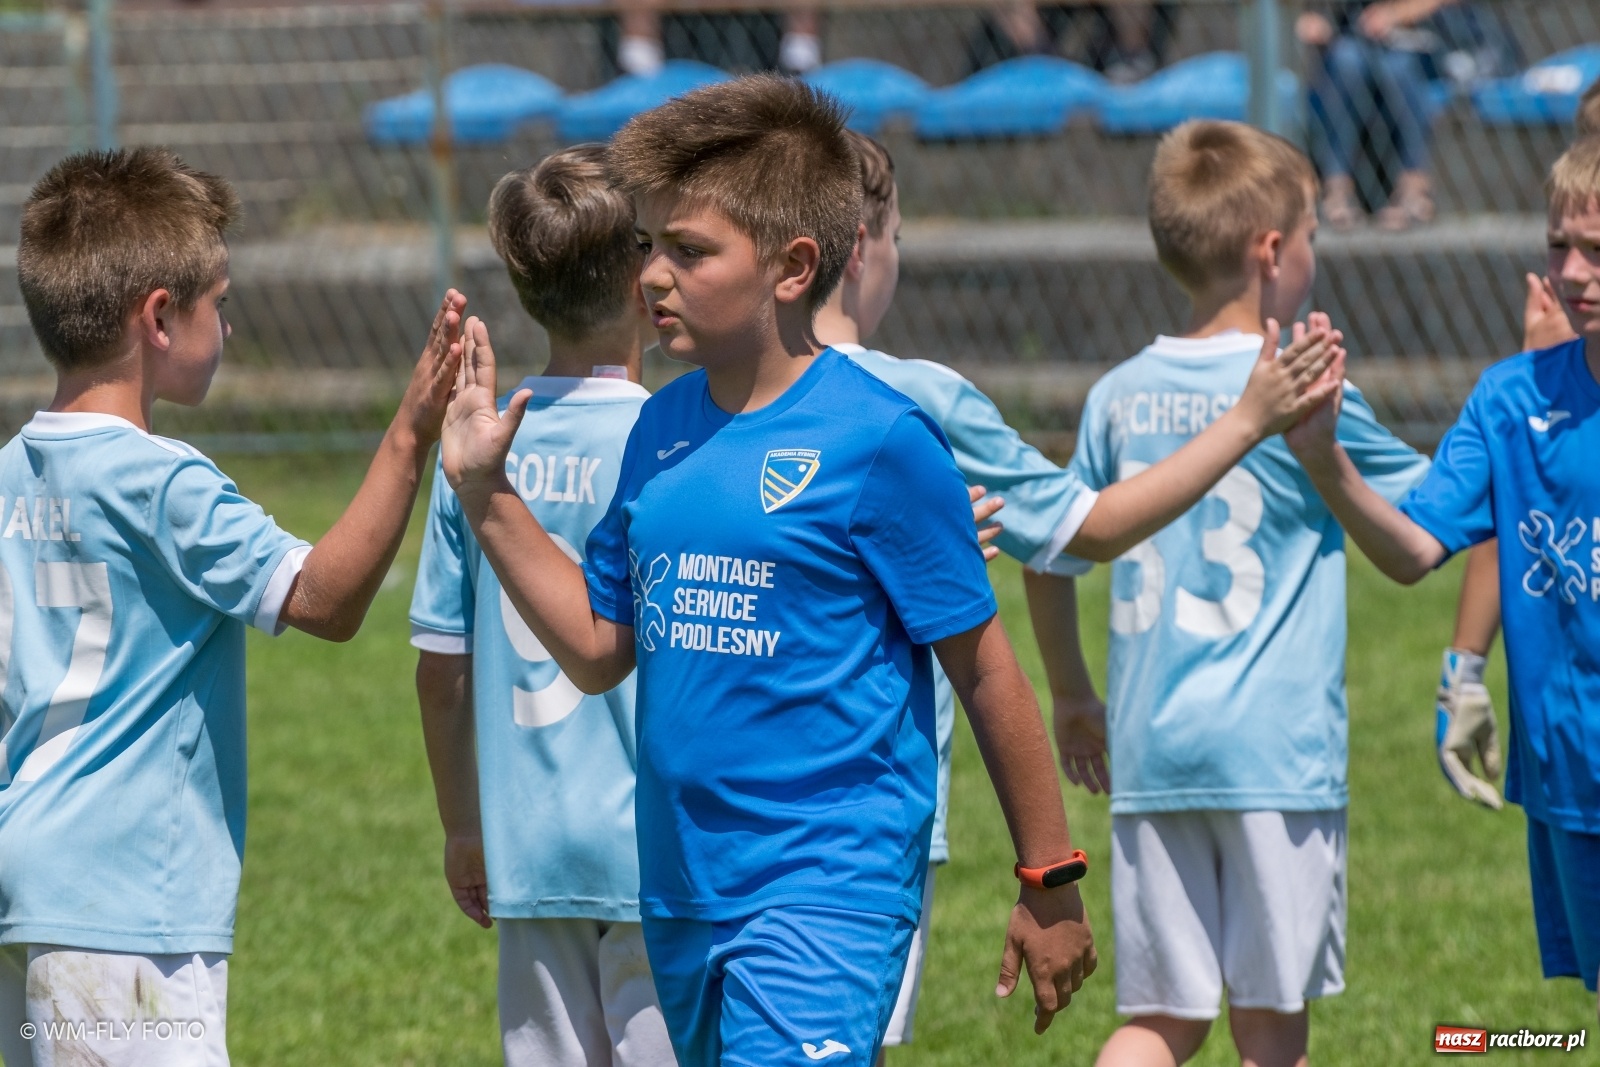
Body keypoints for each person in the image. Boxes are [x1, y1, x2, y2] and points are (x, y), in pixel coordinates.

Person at [438, 76, 1339, 1065]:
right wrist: (489, 495)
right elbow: (601, 646)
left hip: (826, 889)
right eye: (651, 245)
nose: (652, 275)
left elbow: (987, 668)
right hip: (683, 889)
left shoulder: (877, 438)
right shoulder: (660, 428)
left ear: (793, 267)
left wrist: (1050, 872)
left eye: (689, 251)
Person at [813, 128, 1347, 1060]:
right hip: (863, 807)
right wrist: (1252, 419)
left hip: (706, 817)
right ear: (863, 247)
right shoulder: (918, 400)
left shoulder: (699, 405)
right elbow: (1082, 528)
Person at [0, 147, 463, 1066]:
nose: (230, 324)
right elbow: (326, 598)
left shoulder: (12, 470)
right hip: (125, 904)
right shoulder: (160, 480)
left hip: (27, 883)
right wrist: (412, 431)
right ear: (160, 318)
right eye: (221, 300)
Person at [1058, 119, 1430, 1067]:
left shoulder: (1116, 394)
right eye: (1312, 235)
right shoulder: (1305, 383)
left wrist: (1071, 695)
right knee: (1271, 1028)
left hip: (1152, 748)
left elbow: (1052, 550)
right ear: (1273, 252)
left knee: (1162, 1020)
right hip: (1273, 754)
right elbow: (1432, 512)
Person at [1286, 134, 1600, 1004]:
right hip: (1572, 775)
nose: (1572, 273)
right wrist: (1325, 461)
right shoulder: (1512, 397)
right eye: (1558, 246)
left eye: (1596, 251)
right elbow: (1413, 550)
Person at [410, 146, 677, 1067]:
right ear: (647, 276)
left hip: (531, 850)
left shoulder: (474, 454)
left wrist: (462, 826)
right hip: (656, 852)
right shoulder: (673, 444)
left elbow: (442, 672)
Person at [1297, 0, 1462, 231]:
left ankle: (1414, 188)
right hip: (1355, 42)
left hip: (1421, 41)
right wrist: (1315, 21)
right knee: (1345, 60)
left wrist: (1395, 14)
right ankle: (1337, 189)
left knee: (1397, 68)